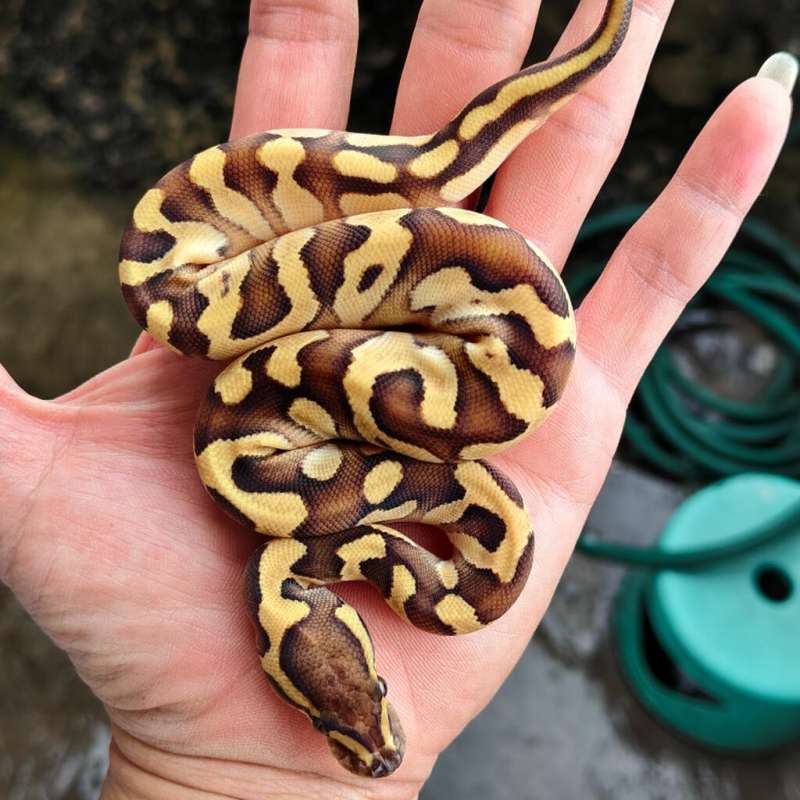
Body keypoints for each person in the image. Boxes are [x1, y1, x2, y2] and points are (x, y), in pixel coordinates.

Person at [0, 1, 795, 797]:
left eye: (339, 716)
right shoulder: (343, 531)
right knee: (424, 177)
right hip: (448, 332)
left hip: (223, 280)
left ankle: (417, 186)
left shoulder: (334, 518)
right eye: (373, 695)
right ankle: (418, 184)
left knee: (409, 188)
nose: (374, 742)